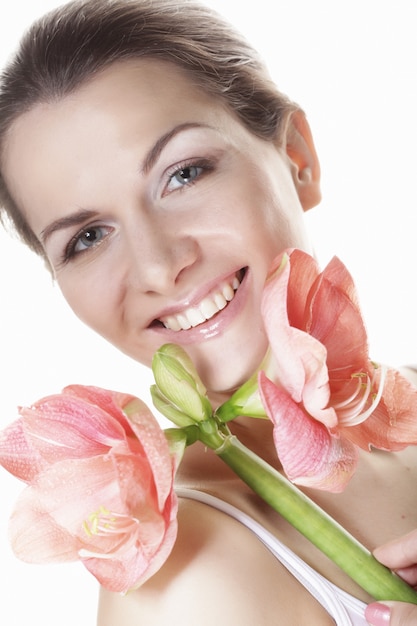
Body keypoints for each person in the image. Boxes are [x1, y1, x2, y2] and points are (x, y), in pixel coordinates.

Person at [0, 1, 416, 624]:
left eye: (184, 174)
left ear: (298, 158)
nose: (158, 266)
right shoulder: (179, 582)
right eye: (87, 237)